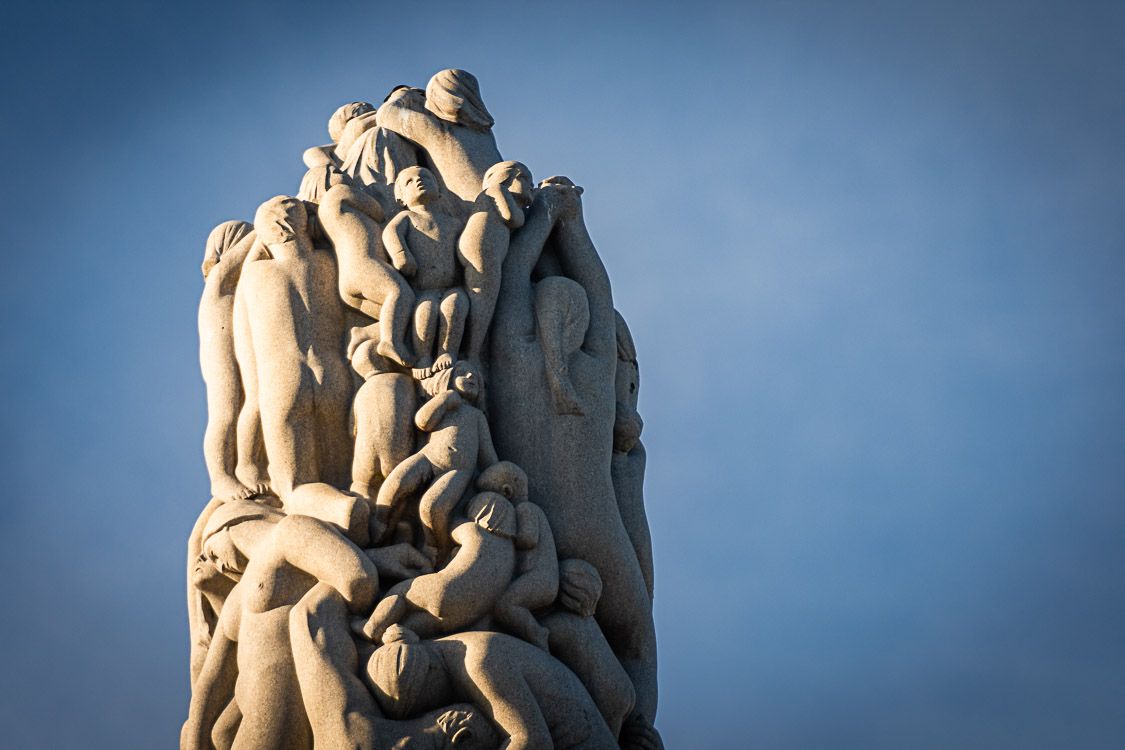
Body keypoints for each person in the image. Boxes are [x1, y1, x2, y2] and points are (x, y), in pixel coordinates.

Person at [234, 196, 353, 498]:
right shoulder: (329, 262)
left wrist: (247, 463)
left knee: (297, 491)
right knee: (346, 482)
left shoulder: (254, 276)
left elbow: (252, 384)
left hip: (284, 381)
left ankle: (344, 514)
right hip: (334, 376)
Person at [364, 625, 619, 750]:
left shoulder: (479, 663)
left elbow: (532, 742)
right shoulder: (459, 656)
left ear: (431, 671)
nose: (435, 708)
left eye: (426, 703)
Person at [373, 360, 497, 561]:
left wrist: (498, 476)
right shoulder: (445, 405)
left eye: (475, 377)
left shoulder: (476, 416)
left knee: (431, 508)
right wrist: (444, 401)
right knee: (396, 482)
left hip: (457, 470)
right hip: (428, 456)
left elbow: (488, 454)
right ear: (447, 379)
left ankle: (435, 547)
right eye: (463, 374)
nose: (470, 377)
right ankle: (380, 522)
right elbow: (422, 422)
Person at [383, 166, 469, 372]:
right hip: (424, 290)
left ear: (439, 190)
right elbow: (390, 233)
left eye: (425, 177)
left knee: (455, 306)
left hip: (452, 286)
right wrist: (400, 254)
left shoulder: (454, 224)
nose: (419, 181)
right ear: (400, 198)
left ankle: (447, 351)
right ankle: (422, 357)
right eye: (409, 181)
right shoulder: (406, 218)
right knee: (426, 312)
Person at [198, 220, 261, 501]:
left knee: (253, 401)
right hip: (220, 343)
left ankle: (248, 465)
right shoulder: (219, 280)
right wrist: (266, 225)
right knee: (226, 409)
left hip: (240, 339)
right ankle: (221, 477)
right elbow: (232, 263)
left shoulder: (245, 288)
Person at [375, 70, 503, 203]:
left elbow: (385, 114)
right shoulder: (484, 131)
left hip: (473, 207)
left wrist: (403, 94)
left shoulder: (439, 131)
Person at [457, 161, 535, 367]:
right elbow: (513, 218)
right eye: (526, 180)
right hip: (483, 250)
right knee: (484, 300)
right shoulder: (496, 189)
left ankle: (470, 349)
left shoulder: (493, 193)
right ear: (508, 177)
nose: (531, 188)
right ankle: (472, 353)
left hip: (482, 248)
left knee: (482, 298)